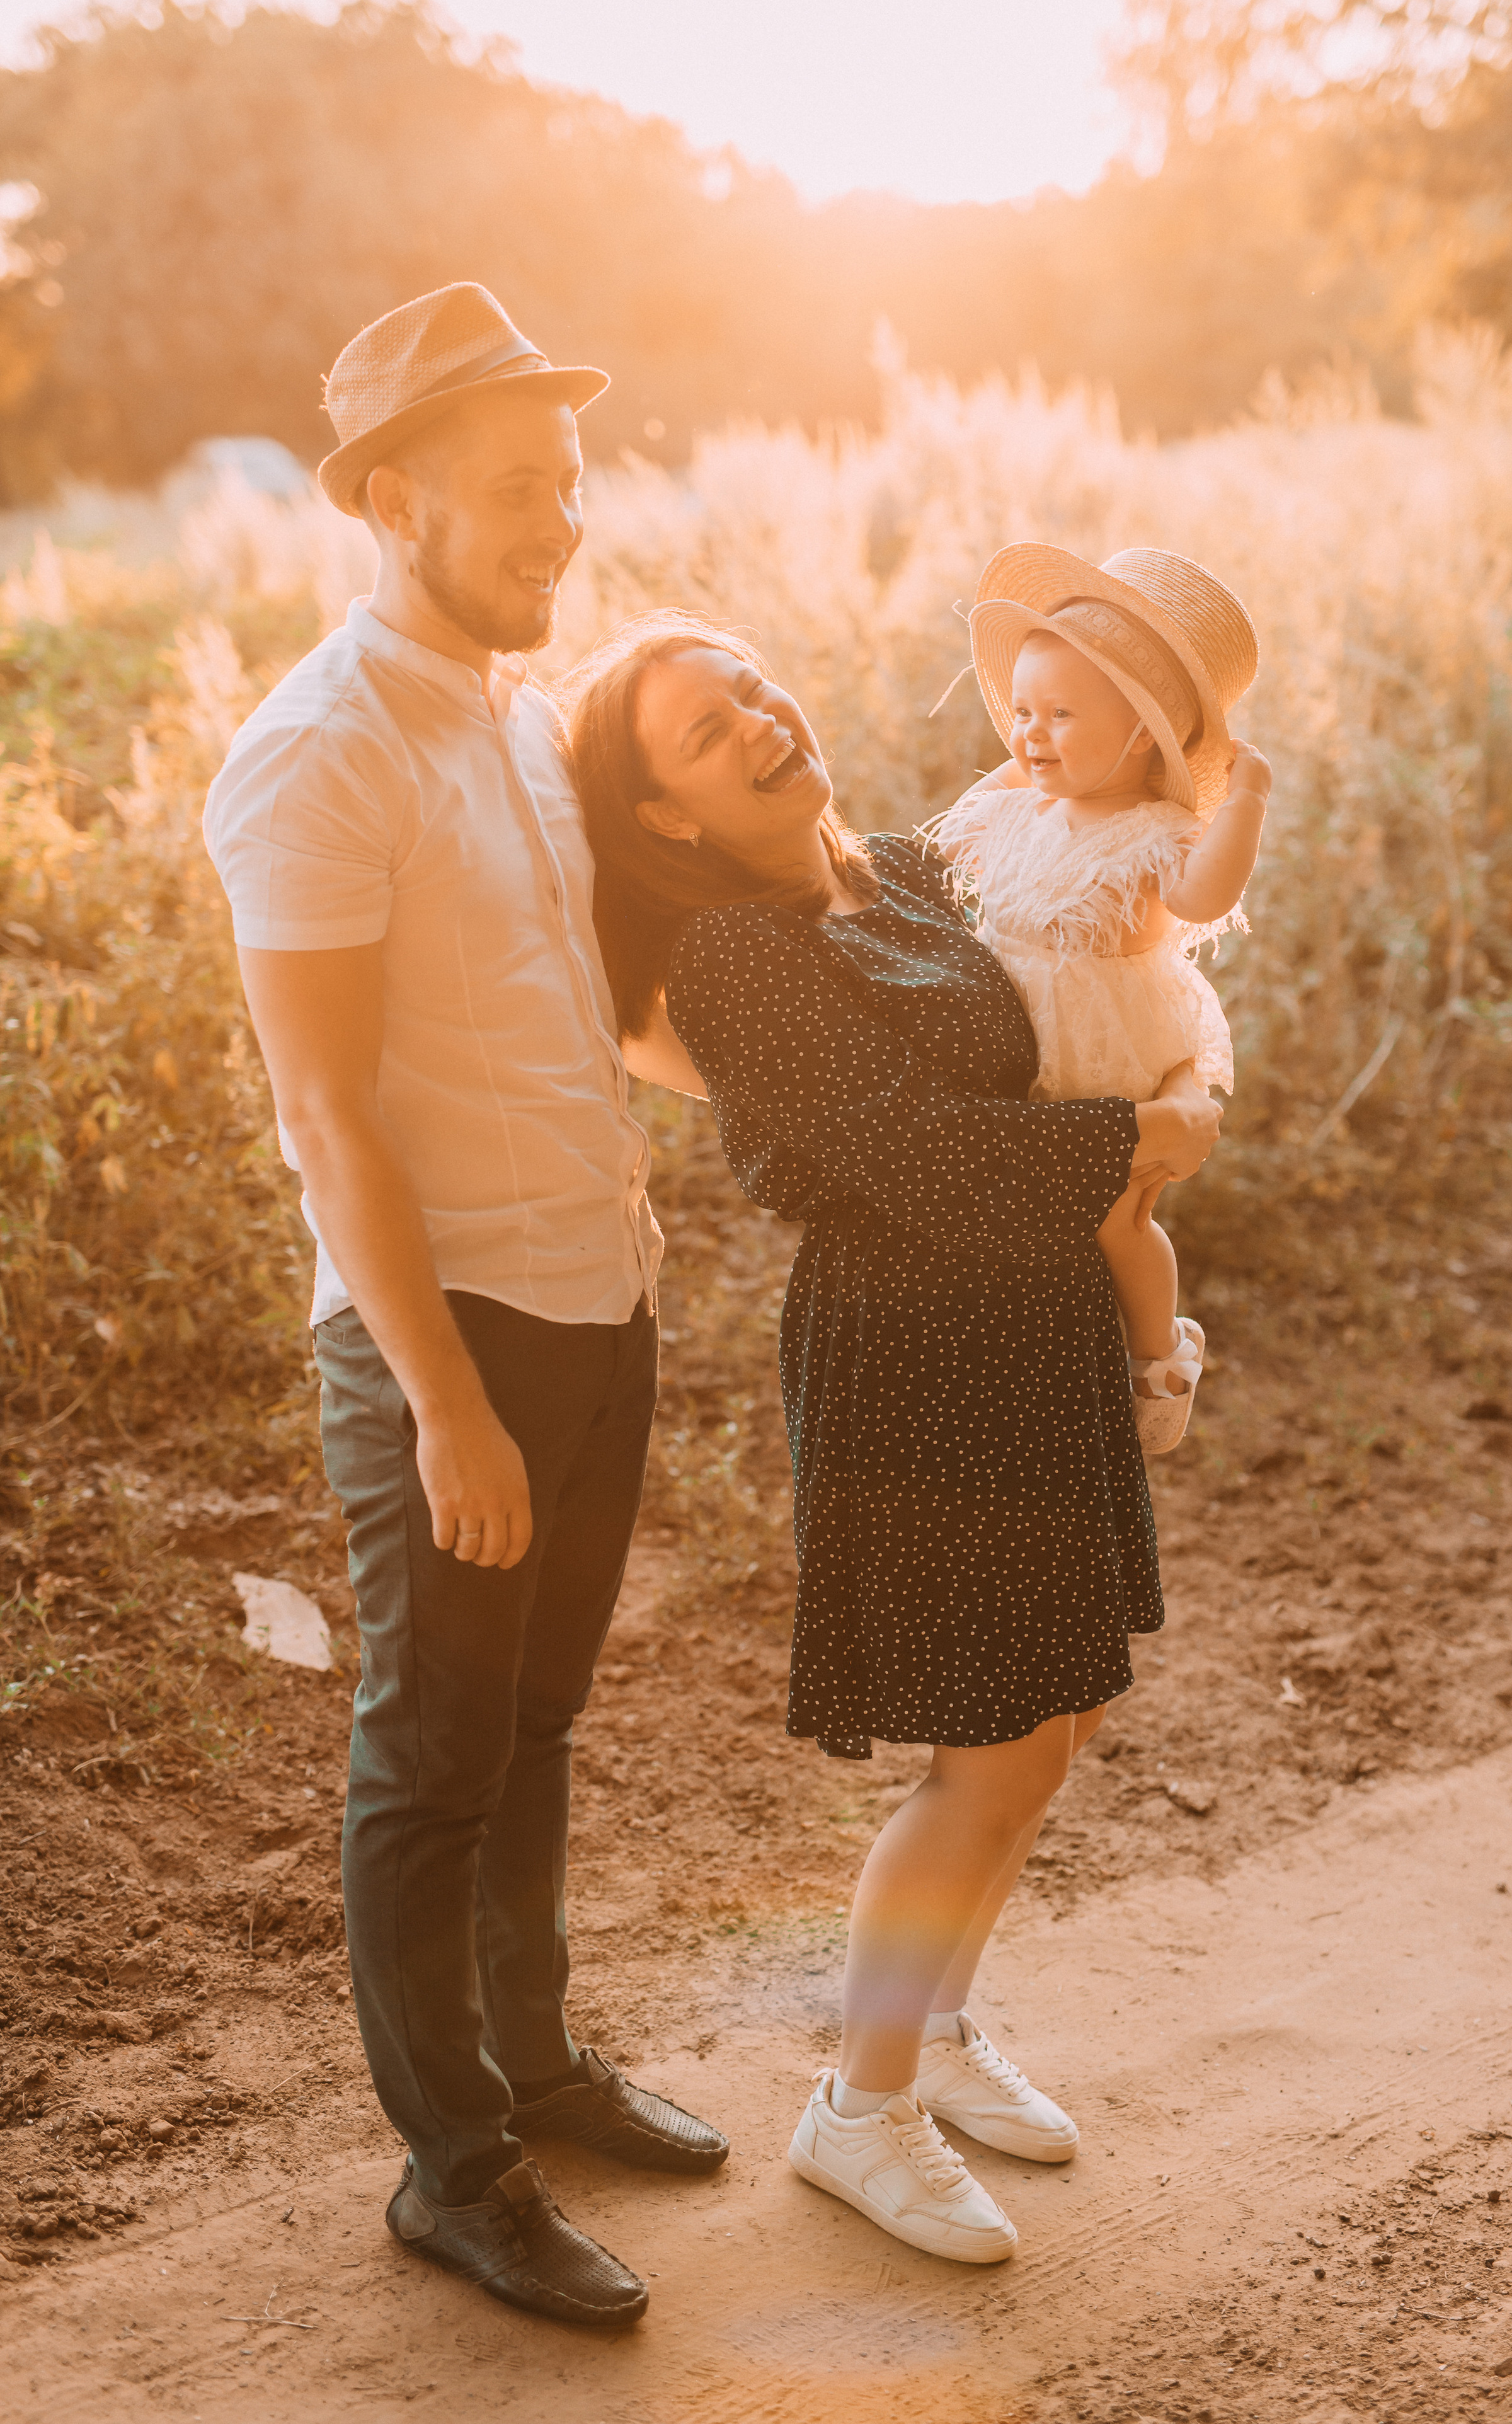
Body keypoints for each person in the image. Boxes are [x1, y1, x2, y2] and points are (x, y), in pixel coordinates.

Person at [561, 611, 1222, 2265]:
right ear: (668, 818)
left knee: (1051, 1718)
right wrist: (1134, 1140)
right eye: (709, 734)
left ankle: (931, 2029)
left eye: (754, 690)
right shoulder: (734, 956)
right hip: (916, 1360)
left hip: (1039, 1324)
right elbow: (901, 1153)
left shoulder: (919, 868)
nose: (762, 722)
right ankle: (860, 2110)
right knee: (984, 1746)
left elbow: (1087, 906)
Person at [203, 285, 726, 2331]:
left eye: (572, 482)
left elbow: (595, 1013)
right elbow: (325, 1118)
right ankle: (460, 2166)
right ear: (387, 495)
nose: (561, 522)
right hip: (453, 1342)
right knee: (429, 1752)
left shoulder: (525, 711)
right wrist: (445, 1403)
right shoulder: (311, 755)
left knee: (537, 1723)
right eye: (518, 488)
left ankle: (540, 2061)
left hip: (602, 1309)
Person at [927, 544, 1271, 1452]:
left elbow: (1205, 899)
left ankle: (1160, 1358)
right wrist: (1021, 758)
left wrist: (1244, 802)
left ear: (1142, 736)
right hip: (1010, 1053)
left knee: (1120, 1220)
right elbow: (944, 848)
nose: (1031, 734)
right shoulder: (1022, 805)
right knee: (1020, 1218)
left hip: (1108, 1059)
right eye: (1023, 712)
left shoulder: (1154, 833)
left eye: (1062, 715)